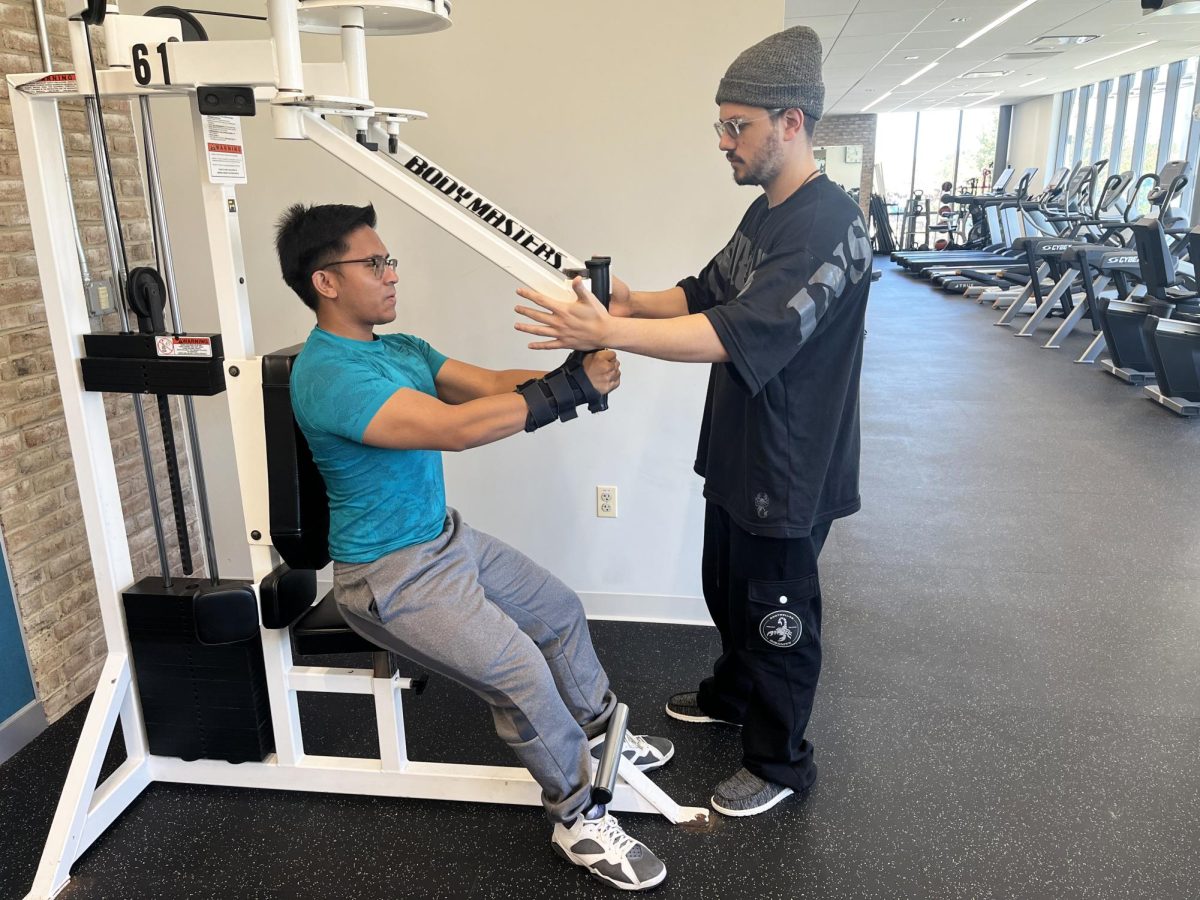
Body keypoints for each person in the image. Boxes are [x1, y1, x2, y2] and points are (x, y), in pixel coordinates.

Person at [513, 25, 871, 818]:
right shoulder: (769, 213)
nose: (723, 142)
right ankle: (734, 694)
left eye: (736, 126)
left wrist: (607, 334)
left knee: (778, 615)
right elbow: (708, 293)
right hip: (744, 449)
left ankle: (781, 763)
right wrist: (631, 303)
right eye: (720, 124)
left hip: (790, 461)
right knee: (725, 585)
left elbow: (734, 334)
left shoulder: (825, 224)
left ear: (791, 122)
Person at [275, 202, 672, 890]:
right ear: (326, 282)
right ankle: (577, 817)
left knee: (558, 609)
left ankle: (604, 732)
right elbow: (451, 428)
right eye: (375, 263)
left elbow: (488, 385)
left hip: (444, 539)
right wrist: (564, 392)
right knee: (520, 675)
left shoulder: (399, 349)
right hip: (389, 577)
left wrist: (567, 374)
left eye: (388, 259)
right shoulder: (329, 375)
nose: (391, 273)